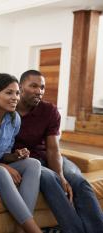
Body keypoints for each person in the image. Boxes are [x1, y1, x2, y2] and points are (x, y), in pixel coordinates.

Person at [14, 69, 103, 233]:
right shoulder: (8, 110)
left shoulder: (49, 111)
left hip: (48, 156)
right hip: (27, 163)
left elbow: (53, 149)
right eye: (33, 86)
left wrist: (62, 175)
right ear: (20, 86)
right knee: (50, 179)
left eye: (42, 87)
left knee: (78, 181)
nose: (39, 91)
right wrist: (57, 177)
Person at [0, 73, 42, 233]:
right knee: (1, 170)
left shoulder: (14, 120)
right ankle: (33, 230)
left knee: (34, 163)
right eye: (9, 93)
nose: (15, 98)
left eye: (17, 93)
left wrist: (15, 156)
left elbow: (4, 154)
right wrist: (2, 165)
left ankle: (20, 230)